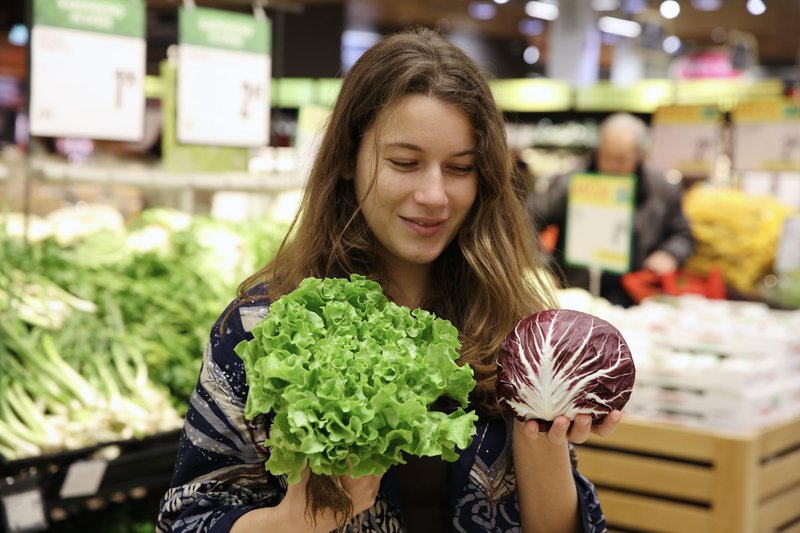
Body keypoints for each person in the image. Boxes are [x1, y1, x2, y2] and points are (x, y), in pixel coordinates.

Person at [157, 27, 620, 533]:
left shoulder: (516, 332)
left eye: (460, 168)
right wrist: (298, 520)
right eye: (405, 163)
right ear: (347, 160)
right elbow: (187, 520)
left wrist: (544, 442)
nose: (434, 195)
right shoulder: (261, 329)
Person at [526, 112, 695, 307]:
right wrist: (543, 268)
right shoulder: (571, 181)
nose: (612, 166)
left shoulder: (661, 188)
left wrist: (670, 253)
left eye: (621, 159)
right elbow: (526, 219)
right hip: (576, 294)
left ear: (639, 155)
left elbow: (683, 234)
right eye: (606, 157)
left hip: (637, 297)